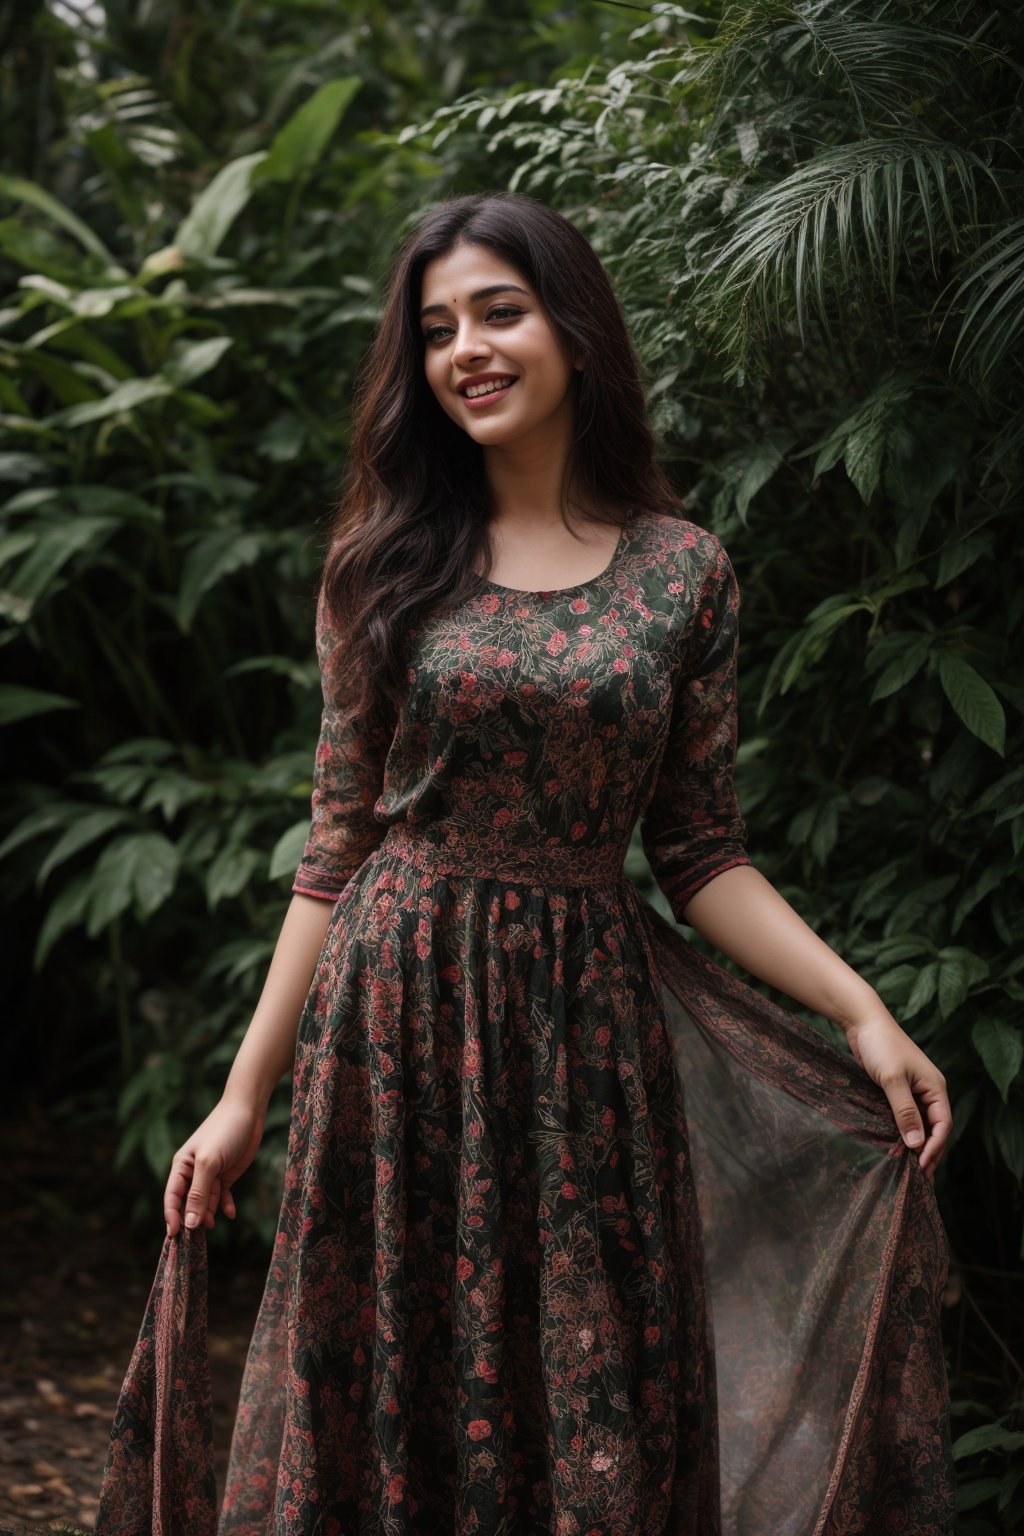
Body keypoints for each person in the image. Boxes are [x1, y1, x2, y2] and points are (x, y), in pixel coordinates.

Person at [95, 191, 956, 1535]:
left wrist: (861, 1011)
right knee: (398, 1399)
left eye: (500, 310)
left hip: (586, 1052)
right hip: (398, 1026)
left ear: (573, 327)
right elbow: (337, 851)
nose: (467, 349)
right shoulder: (383, 566)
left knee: (595, 1405)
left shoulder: (685, 575)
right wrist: (242, 1098)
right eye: (437, 328)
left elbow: (697, 849)